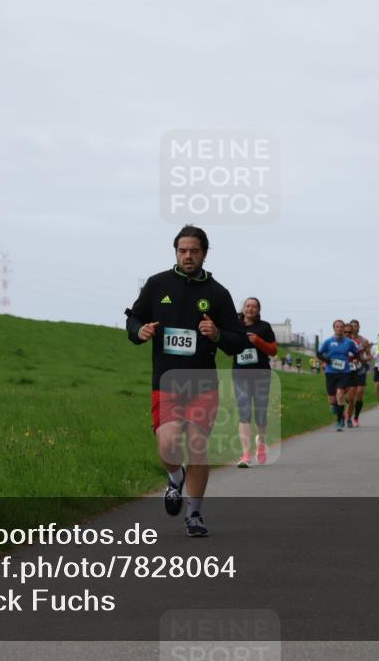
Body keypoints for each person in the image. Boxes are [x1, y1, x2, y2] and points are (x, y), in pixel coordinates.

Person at [125, 225, 247, 537]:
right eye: (182, 250)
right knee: (168, 446)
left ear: (204, 253)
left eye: (194, 251)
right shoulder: (157, 284)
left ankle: (194, 514)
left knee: (197, 446)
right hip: (166, 383)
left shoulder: (218, 294)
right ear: (176, 252)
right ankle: (175, 477)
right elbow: (134, 318)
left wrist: (217, 334)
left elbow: (238, 341)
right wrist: (139, 331)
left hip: (203, 384)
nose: (188, 256)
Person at [233, 297, 277, 468]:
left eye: (254, 306)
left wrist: (257, 341)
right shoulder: (235, 326)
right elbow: (228, 346)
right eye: (247, 305)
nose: (250, 309)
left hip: (261, 373)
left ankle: (261, 445)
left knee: (260, 412)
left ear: (258, 310)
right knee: (244, 411)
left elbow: (273, 351)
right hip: (240, 373)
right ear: (243, 308)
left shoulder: (264, 327)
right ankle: (245, 454)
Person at [316, 319, 358, 431]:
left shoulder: (349, 342)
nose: (339, 329)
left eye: (341, 327)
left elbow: (356, 353)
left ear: (344, 328)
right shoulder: (328, 342)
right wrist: (327, 360)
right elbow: (318, 354)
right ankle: (338, 411)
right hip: (330, 372)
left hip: (344, 372)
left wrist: (355, 359)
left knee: (340, 395)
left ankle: (339, 421)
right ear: (334, 328)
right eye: (337, 327)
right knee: (332, 399)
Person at [345, 320, 371, 427]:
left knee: (360, 393)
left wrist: (363, 360)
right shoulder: (345, 340)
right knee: (349, 397)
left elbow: (369, 356)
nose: (354, 328)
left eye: (356, 326)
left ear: (359, 328)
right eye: (352, 326)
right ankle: (348, 409)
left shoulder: (364, 341)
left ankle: (355, 417)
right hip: (347, 369)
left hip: (360, 368)